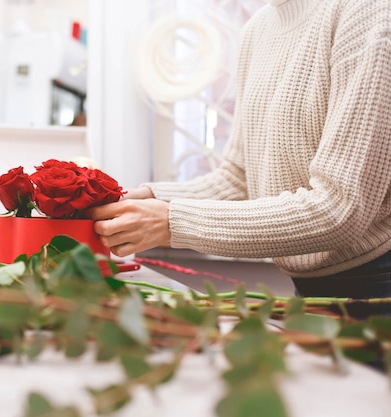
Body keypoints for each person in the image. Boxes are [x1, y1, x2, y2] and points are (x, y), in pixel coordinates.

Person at [90, 0, 391, 315]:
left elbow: (340, 209)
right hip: (309, 290)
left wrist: (169, 221)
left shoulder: (365, 10)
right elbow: (238, 179)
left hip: (376, 287)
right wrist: (144, 198)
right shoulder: (257, 30)